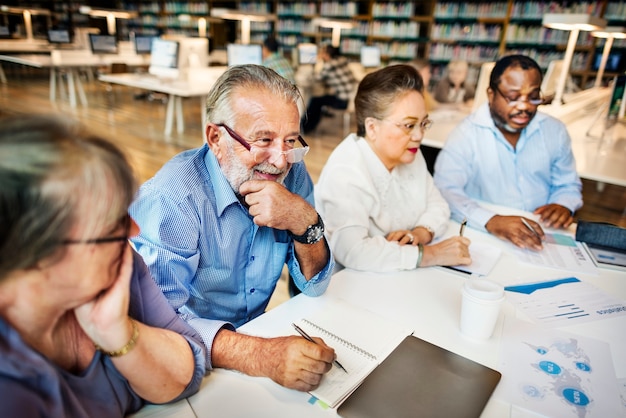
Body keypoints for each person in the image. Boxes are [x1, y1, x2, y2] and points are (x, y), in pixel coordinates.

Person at [129, 65, 335, 391]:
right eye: (263, 139)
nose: (281, 161)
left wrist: (303, 220)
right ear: (216, 138)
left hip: (262, 331)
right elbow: (154, 324)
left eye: (291, 141)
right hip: (193, 359)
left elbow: (314, 285)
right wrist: (260, 355)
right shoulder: (172, 199)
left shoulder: (293, 173)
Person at [0, 115, 205, 417]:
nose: (134, 230)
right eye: (114, 224)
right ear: (41, 251)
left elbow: (189, 369)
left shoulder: (118, 265)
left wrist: (117, 332)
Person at [315, 64, 471, 272]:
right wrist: (429, 254)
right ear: (372, 127)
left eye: (423, 124)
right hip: (350, 286)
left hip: (397, 277)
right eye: (408, 125)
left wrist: (420, 232)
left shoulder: (409, 153)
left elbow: (438, 205)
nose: (418, 136)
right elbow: (352, 250)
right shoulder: (346, 171)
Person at [433, 55, 583, 251]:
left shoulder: (554, 130)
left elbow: (568, 184)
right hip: (485, 233)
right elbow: (446, 191)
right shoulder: (465, 134)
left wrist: (563, 203)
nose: (524, 106)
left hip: (542, 232)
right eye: (513, 97)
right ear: (491, 94)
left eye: (533, 95)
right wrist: (492, 220)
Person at [301, 44, 357, 133]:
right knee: (322, 98)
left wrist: (315, 61)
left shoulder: (329, 65)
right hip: (351, 99)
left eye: (322, 52)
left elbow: (316, 78)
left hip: (343, 101)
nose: (321, 54)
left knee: (316, 101)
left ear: (327, 54)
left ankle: (305, 128)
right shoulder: (342, 60)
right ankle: (310, 126)